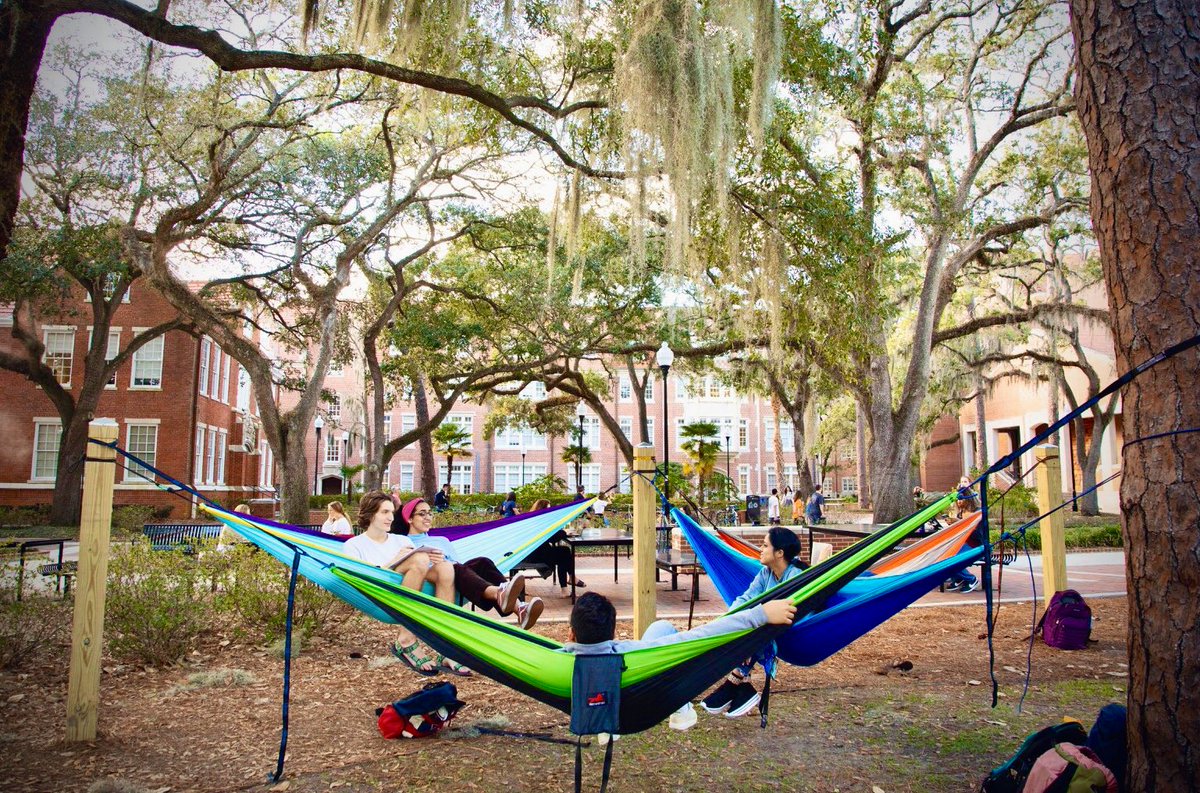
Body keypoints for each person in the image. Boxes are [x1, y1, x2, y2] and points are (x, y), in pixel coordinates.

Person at [561, 591, 797, 732]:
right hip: (640, 697)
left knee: (660, 627)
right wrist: (760, 615)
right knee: (661, 627)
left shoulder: (557, 662)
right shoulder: (633, 653)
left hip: (598, 701)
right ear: (612, 633)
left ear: (572, 633)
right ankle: (681, 708)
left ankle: (681, 708)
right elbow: (705, 634)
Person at [343, 491, 455, 675]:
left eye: (392, 512)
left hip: (413, 589)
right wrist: (397, 560)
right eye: (384, 512)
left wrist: (435, 559)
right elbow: (363, 579)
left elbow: (421, 569)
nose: (390, 517)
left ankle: (446, 645)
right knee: (418, 559)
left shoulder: (402, 540)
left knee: (446, 568)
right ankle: (406, 639)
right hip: (382, 594)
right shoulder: (354, 545)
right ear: (370, 515)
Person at [701, 527, 808, 719]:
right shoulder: (765, 574)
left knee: (756, 628)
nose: (760, 548)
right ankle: (742, 685)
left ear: (779, 553)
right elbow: (747, 599)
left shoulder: (795, 576)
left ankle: (734, 683)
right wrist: (728, 619)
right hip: (769, 628)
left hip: (797, 630)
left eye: (765, 545)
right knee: (744, 624)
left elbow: (791, 612)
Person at [395, 496, 544, 632]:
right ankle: (498, 593)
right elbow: (407, 567)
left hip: (457, 577)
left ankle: (520, 610)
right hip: (433, 580)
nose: (428, 517)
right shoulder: (404, 542)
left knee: (482, 562)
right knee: (455, 568)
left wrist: (446, 562)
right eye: (422, 514)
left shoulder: (442, 540)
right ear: (409, 519)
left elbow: (458, 563)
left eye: (429, 513)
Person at [524, 497, 585, 596]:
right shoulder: (541, 522)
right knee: (564, 553)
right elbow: (553, 538)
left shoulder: (535, 519)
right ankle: (569, 582)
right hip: (536, 555)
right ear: (543, 509)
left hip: (534, 552)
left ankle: (568, 584)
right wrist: (564, 532)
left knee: (564, 552)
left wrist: (561, 532)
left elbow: (551, 536)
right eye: (549, 508)